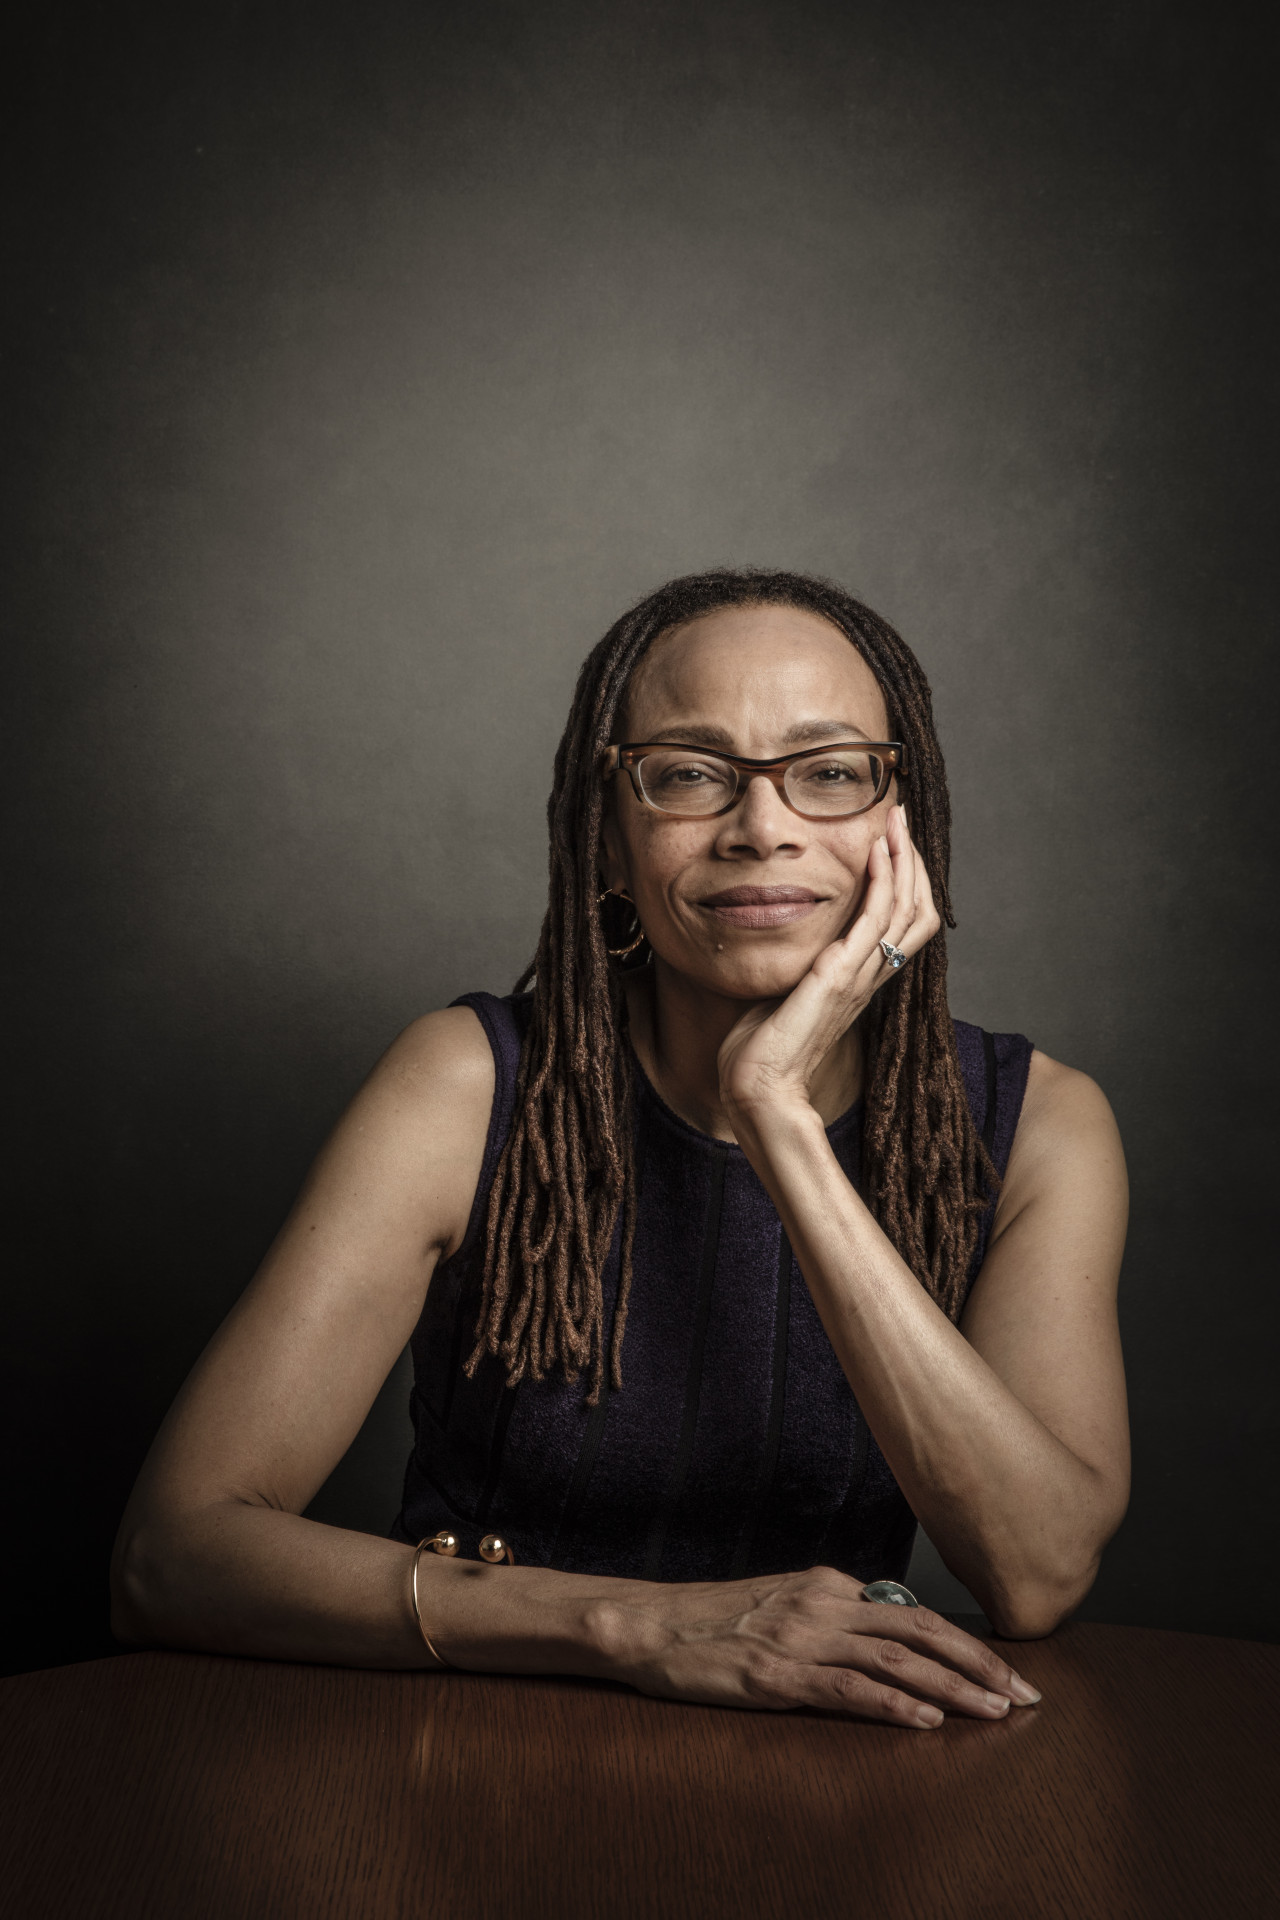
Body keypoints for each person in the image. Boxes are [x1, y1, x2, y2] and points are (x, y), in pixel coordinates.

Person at [111, 568, 1129, 1731]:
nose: (762, 827)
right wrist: (627, 1625)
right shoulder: (467, 1084)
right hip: (461, 1756)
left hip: (834, 1788)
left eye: (831, 772)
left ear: (909, 821)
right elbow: (168, 1558)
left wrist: (775, 1115)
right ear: (606, 836)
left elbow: (1034, 1575)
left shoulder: (1036, 1123)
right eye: (689, 774)